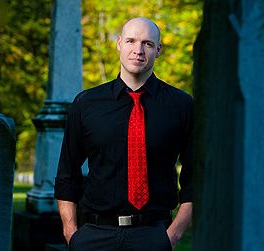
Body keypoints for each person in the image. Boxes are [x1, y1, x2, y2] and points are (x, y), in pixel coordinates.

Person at [54, 17, 194, 251]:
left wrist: (173, 235)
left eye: (147, 44)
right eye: (131, 41)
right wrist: (72, 234)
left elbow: (195, 177)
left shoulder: (181, 105)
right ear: (119, 44)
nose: (138, 50)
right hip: (94, 236)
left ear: (158, 50)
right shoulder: (86, 104)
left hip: (154, 236)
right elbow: (67, 173)